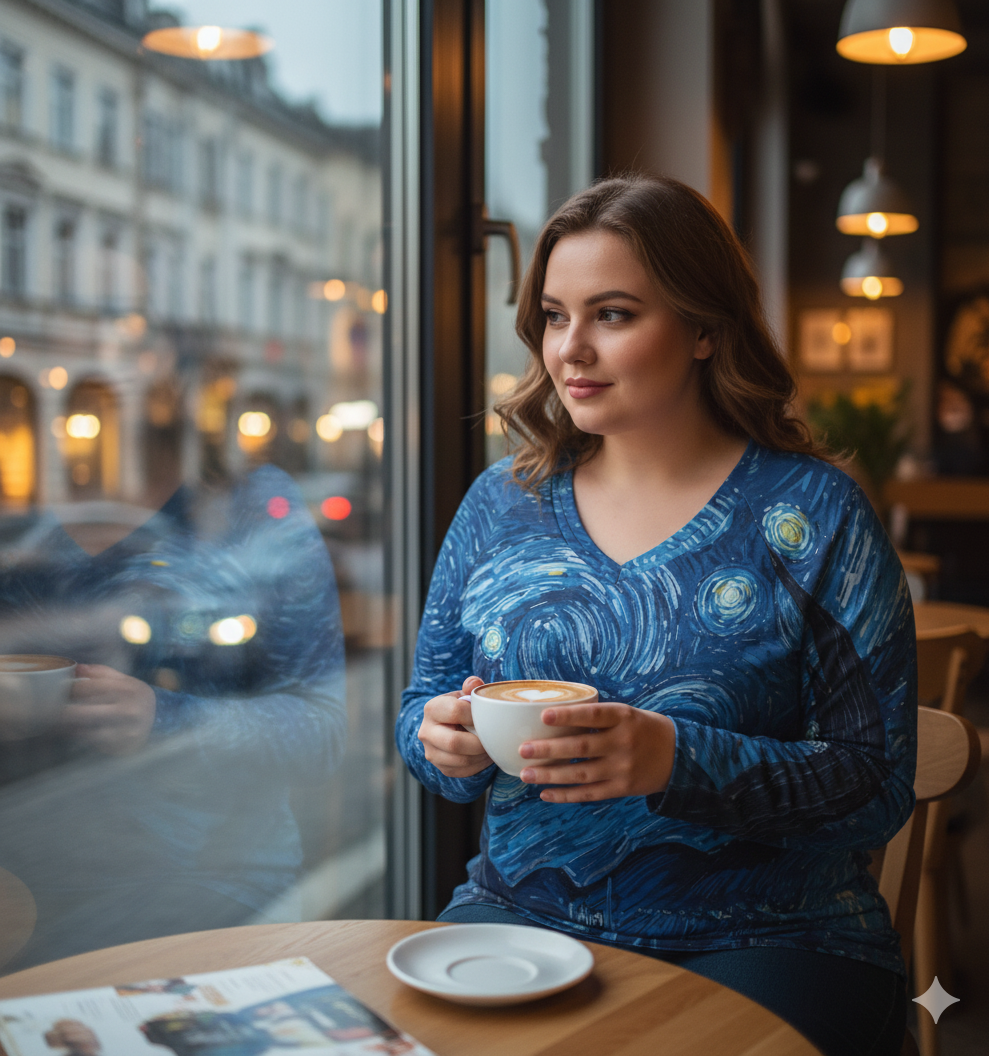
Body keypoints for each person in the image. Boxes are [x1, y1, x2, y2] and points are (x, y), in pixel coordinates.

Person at [396, 175, 916, 1056]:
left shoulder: (814, 513)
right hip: (519, 918)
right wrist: (439, 740)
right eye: (555, 317)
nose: (572, 351)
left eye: (613, 314)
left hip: (770, 934)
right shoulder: (498, 504)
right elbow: (425, 709)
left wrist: (676, 759)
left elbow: (877, 785)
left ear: (706, 329)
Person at [0, 464, 346, 967]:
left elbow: (323, 737)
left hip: (208, 887)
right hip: (23, 882)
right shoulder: (25, 524)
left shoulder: (250, 504)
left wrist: (167, 721)